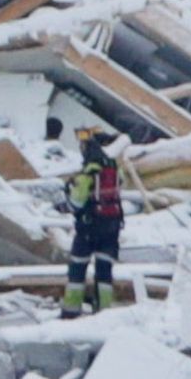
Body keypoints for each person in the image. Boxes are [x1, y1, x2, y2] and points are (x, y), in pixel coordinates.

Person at [62, 130, 124, 318]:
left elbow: (77, 204)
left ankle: (71, 311)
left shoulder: (88, 172)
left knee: (77, 270)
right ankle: (103, 312)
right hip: (112, 227)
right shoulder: (113, 168)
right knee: (104, 273)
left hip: (88, 229)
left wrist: (67, 196)